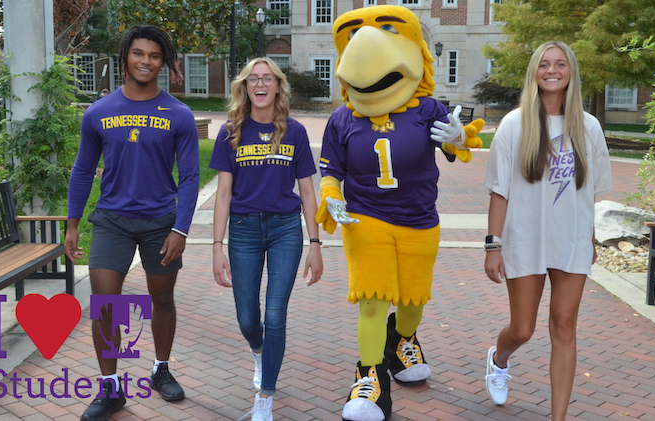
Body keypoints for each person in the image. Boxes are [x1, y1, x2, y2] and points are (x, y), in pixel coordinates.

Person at [316, 6, 484, 420]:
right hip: (366, 218)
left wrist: (458, 135)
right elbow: (331, 170)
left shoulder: (426, 108)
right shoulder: (342, 119)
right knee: (372, 300)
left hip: (418, 218)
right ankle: (369, 378)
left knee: (411, 300)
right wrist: (331, 195)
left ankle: (403, 339)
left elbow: (454, 146)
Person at [65, 25, 200, 421]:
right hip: (111, 221)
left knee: (161, 299)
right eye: (139, 53)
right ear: (125, 56)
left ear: (164, 62)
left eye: (155, 56)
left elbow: (191, 177)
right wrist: (73, 225)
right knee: (106, 305)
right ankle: (111, 388)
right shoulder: (99, 112)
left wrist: (181, 229)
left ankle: (161, 370)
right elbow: (81, 169)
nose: (145, 61)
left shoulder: (179, 114)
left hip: (161, 222)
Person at [483, 41, 612, 420]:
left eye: (560, 64)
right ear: (534, 73)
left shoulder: (588, 127)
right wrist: (493, 245)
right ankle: (500, 357)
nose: (551, 71)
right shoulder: (514, 124)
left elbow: (588, 194)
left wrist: (588, 239)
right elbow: (499, 190)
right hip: (524, 237)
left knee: (564, 326)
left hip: (570, 240)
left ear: (571, 71)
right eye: (544, 64)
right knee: (523, 329)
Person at [210, 57, 323, 421]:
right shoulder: (231, 132)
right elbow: (223, 194)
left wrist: (315, 244)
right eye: (253, 79)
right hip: (242, 231)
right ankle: (259, 350)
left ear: (278, 86)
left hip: (285, 230)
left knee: (276, 315)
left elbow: (308, 192)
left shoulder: (295, 132)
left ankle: (266, 397)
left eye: (267, 79)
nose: (260, 85)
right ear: (244, 87)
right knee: (248, 319)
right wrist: (217, 247)